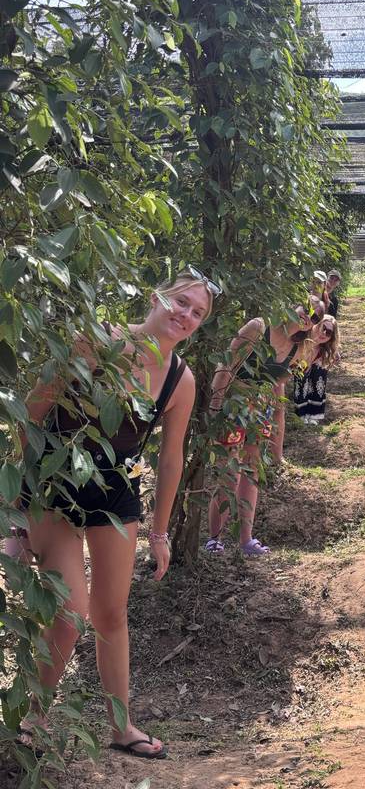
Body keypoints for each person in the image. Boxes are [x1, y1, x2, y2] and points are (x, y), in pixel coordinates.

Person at [20, 269, 215, 759]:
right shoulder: (96, 342)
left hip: (116, 497)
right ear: (157, 297)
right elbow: (32, 413)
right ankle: (34, 716)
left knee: (111, 614)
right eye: (181, 302)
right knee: (69, 616)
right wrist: (18, 510)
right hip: (57, 490)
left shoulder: (179, 379)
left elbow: (170, 460)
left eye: (198, 313)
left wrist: (161, 531)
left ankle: (121, 727)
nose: (186, 315)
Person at [206, 295, 323, 554]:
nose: (307, 317)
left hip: (261, 409)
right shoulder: (259, 327)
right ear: (293, 305)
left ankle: (246, 540)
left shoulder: (301, 348)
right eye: (306, 309)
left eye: (314, 317)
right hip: (234, 404)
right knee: (228, 471)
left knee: (251, 470)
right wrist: (216, 405)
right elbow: (226, 365)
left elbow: (280, 379)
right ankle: (215, 538)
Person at [294, 316, 340, 423]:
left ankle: (315, 414)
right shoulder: (301, 339)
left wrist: (334, 352)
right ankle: (301, 413)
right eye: (322, 328)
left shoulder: (324, 348)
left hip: (317, 358)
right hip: (298, 365)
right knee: (302, 379)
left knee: (319, 377)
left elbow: (333, 352)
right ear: (315, 326)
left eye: (328, 332)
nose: (324, 333)